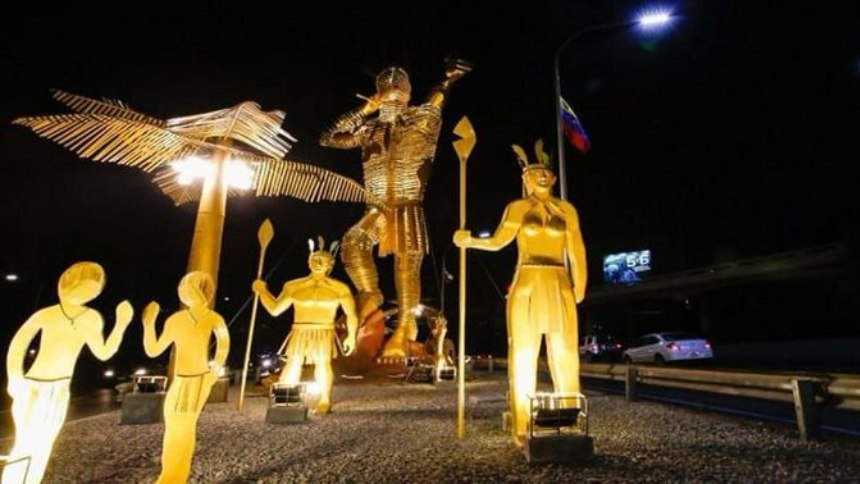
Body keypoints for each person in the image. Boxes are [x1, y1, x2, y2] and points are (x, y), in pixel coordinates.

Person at [320, 59, 471, 360]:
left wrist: (448, 79)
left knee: (406, 268)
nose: (391, 87)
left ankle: (404, 329)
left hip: (407, 206)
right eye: (385, 86)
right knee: (353, 243)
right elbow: (327, 138)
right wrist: (365, 110)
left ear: (407, 94)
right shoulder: (368, 130)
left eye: (398, 86)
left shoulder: (421, 121)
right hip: (376, 207)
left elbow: (436, 98)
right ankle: (369, 293)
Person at [453, 140, 588, 447]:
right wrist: (470, 240)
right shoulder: (517, 208)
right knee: (524, 351)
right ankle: (522, 419)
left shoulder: (566, 210)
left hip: (558, 279)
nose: (540, 177)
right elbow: (499, 240)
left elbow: (577, 249)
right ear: (525, 179)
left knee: (564, 350)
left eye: (545, 172)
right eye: (533, 172)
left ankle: (569, 412)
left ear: (553, 178)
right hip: (527, 278)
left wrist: (579, 283)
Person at [3, 262, 132, 484]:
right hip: (32, 384)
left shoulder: (91, 318)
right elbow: (18, 344)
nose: (87, 293)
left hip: (59, 387)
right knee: (24, 443)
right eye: (81, 287)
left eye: (93, 289)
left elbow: (103, 352)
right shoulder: (46, 314)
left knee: (44, 444)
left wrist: (121, 324)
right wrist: (15, 377)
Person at [252, 237, 358, 414]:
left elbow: (351, 314)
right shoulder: (294, 286)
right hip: (300, 329)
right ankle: (285, 397)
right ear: (309, 261)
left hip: (324, 330)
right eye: (315, 259)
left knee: (323, 364)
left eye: (323, 260)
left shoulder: (340, 289)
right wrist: (263, 291)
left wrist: (352, 336)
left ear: (330, 264)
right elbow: (275, 309)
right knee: (293, 363)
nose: (318, 263)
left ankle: (324, 400)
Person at [142, 271, 229, 484]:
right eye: (185, 288)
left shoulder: (213, 318)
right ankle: (171, 473)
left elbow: (223, 344)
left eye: (193, 288)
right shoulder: (176, 320)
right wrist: (149, 323)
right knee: (173, 426)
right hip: (180, 380)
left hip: (199, 379)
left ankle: (174, 476)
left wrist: (214, 371)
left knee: (185, 425)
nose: (187, 292)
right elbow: (153, 349)